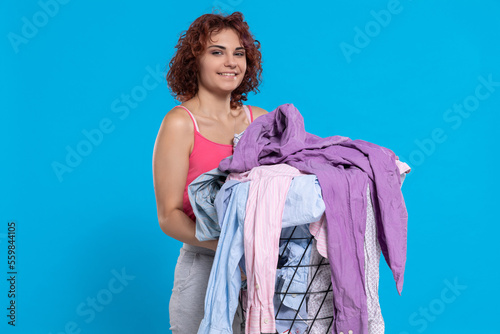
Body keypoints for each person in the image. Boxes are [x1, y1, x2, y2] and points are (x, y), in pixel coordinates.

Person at [152, 11, 268, 334]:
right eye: (217, 52)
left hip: (257, 276)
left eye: (239, 53)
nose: (231, 62)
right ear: (195, 61)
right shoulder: (179, 124)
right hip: (203, 271)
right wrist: (227, 245)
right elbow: (168, 215)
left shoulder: (258, 120)